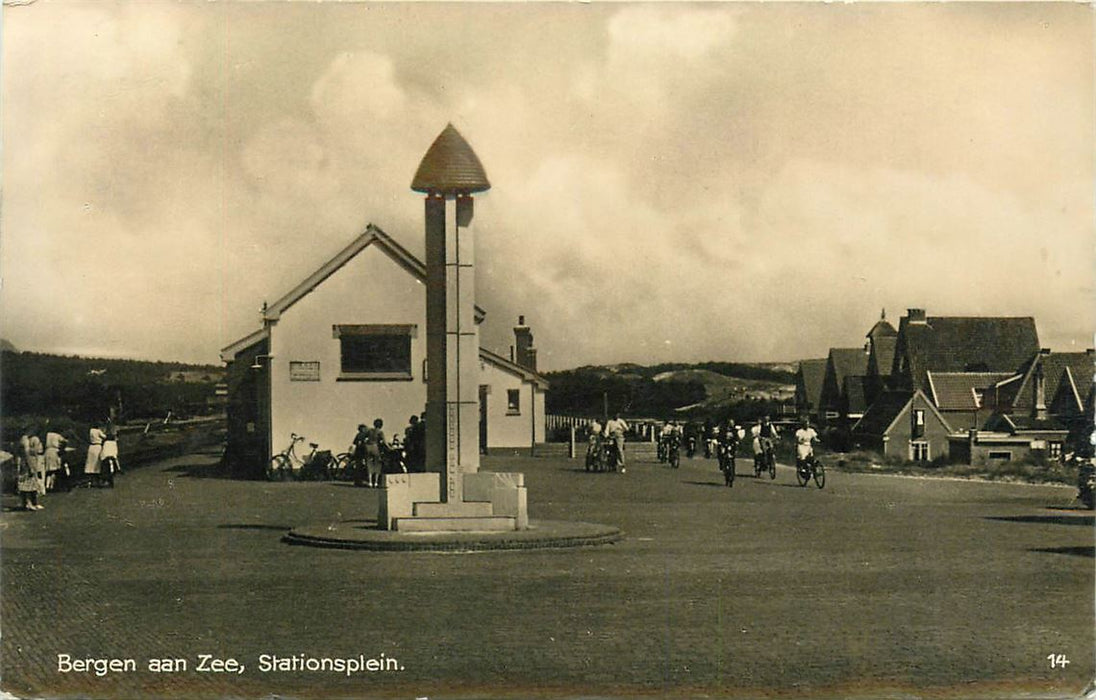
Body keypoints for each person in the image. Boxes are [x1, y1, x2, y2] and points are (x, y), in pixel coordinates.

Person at [18, 429, 44, 510]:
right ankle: (27, 503)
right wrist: (31, 467)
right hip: (27, 465)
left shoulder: (31, 440)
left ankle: (33, 502)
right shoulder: (25, 440)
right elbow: (26, 454)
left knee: (33, 484)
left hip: (31, 462)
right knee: (26, 484)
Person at [43, 428, 68, 492]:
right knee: (54, 470)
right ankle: (51, 486)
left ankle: (47, 485)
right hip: (54, 452)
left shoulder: (48, 434)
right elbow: (64, 441)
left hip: (47, 451)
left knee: (48, 470)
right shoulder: (58, 435)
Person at [366, 418, 388, 488]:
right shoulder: (380, 432)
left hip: (368, 447)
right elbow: (384, 442)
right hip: (375, 447)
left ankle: (369, 482)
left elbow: (365, 438)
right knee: (377, 465)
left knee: (369, 465)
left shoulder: (370, 431)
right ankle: (375, 483)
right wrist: (390, 448)